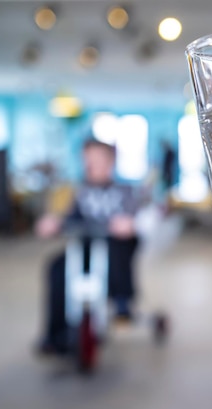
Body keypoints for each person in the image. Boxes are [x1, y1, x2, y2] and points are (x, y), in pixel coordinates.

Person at [35, 139, 142, 355]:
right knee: (57, 267)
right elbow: (66, 217)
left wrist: (131, 223)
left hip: (115, 250)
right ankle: (55, 334)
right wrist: (53, 223)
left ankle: (123, 302)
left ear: (110, 163)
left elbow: (142, 218)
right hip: (84, 249)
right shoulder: (78, 191)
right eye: (87, 160)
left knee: (115, 251)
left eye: (96, 160)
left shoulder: (126, 191)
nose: (90, 165)